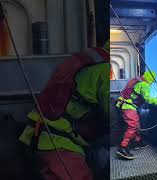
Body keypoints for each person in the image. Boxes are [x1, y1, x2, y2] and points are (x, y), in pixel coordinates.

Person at [18, 47, 109, 180]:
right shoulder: (106, 69)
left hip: (40, 133)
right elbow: (113, 117)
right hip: (59, 141)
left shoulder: (90, 57)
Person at [115, 71, 157, 160]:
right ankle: (122, 147)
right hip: (129, 107)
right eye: (153, 81)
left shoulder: (136, 80)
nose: (152, 83)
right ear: (151, 79)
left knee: (137, 124)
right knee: (133, 126)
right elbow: (148, 99)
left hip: (124, 105)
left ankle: (137, 142)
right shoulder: (144, 85)